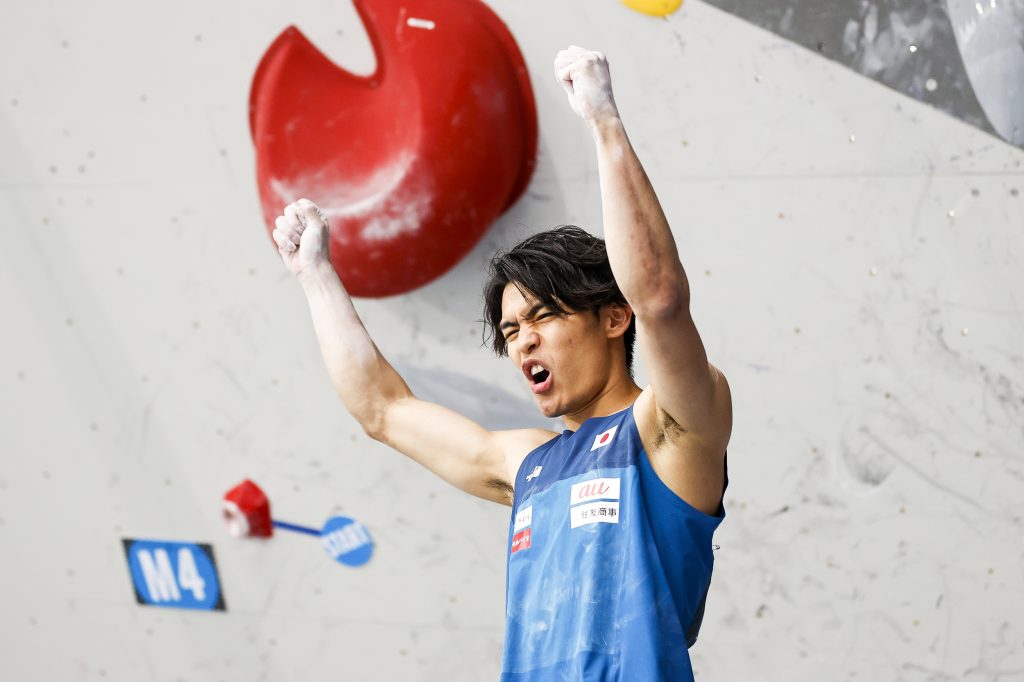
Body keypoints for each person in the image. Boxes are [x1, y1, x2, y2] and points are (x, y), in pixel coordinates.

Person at [270, 45, 732, 682]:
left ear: (611, 318)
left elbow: (660, 298)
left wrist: (603, 122)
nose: (522, 344)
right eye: (511, 331)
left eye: (543, 317)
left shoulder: (670, 429)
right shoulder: (528, 467)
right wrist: (316, 277)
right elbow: (383, 410)